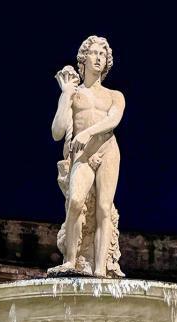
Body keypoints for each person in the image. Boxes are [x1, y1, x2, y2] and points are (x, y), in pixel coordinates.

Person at [49, 36, 125, 278]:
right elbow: (57, 132)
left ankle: (101, 269)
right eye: (93, 53)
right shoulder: (74, 94)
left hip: (106, 149)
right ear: (83, 59)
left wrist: (89, 132)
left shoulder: (115, 95)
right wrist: (65, 94)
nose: (99, 58)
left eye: (103, 54)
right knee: (75, 202)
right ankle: (70, 261)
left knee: (104, 208)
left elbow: (113, 120)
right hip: (82, 154)